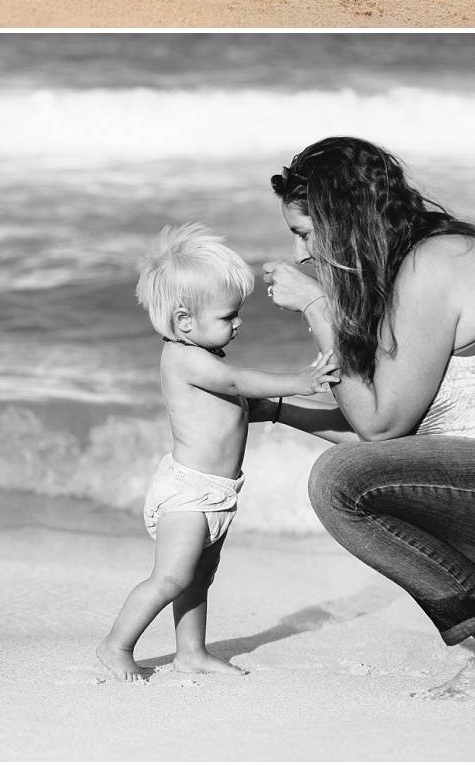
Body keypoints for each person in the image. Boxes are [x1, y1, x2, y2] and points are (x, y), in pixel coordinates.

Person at [263, 136, 475, 699]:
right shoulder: (412, 264)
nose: (300, 256)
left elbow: (380, 430)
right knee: (350, 472)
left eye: (305, 233)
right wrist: (272, 408)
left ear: (344, 217)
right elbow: (394, 433)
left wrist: (317, 306)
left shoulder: (437, 264)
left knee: (337, 481)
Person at [97, 224, 339, 682]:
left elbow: (246, 402)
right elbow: (238, 383)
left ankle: (191, 652)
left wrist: (306, 391)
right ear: (185, 320)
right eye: (228, 316)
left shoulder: (205, 355)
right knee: (170, 578)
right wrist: (298, 380)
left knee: (199, 577)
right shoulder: (185, 358)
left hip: (218, 492)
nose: (238, 323)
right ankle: (116, 645)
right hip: (188, 493)